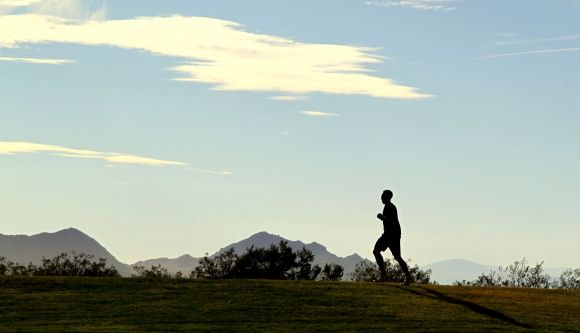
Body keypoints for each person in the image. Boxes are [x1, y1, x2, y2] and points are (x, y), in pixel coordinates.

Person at [373, 190, 412, 285]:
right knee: (397, 257)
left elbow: (391, 220)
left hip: (390, 235)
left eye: (382, 196)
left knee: (376, 251)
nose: (381, 198)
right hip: (393, 235)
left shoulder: (390, 207)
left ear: (387, 197)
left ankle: (384, 275)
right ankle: (408, 277)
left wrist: (382, 217)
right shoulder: (389, 206)